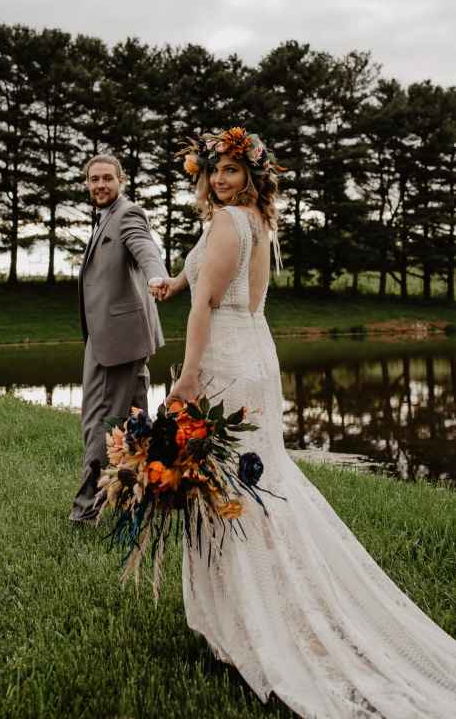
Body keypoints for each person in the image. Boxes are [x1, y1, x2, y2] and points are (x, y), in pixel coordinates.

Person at [150, 126, 456, 719]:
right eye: (216, 169)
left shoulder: (226, 221)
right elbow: (210, 278)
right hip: (256, 350)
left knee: (231, 488)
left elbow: (208, 303)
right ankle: (259, 603)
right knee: (259, 482)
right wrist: (176, 281)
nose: (220, 179)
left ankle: (254, 619)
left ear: (251, 174)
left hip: (225, 361)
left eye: (232, 170)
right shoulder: (255, 222)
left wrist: (186, 378)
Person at [70, 153, 168, 523]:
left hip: (117, 341)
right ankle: (143, 498)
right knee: (136, 424)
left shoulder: (127, 213)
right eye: (94, 179)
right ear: (86, 183)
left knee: (99, 422)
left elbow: (145, 248)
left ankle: (85, 511)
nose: (100, 185)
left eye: (107, 178)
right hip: (118, 336)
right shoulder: (103, 216)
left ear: (121, 180)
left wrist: (157, 276)